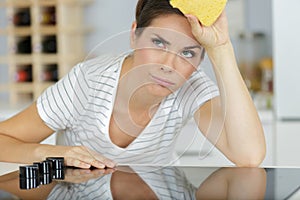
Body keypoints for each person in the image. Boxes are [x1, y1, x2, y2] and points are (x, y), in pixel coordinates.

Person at [0, 0, 266, 168]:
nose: (168, 65)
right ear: (134, 35)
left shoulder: (191, 85)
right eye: (158, 42)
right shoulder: (87, 82)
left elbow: (250, 156)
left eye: (188, 53)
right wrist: (55, 153)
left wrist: (221, 48)